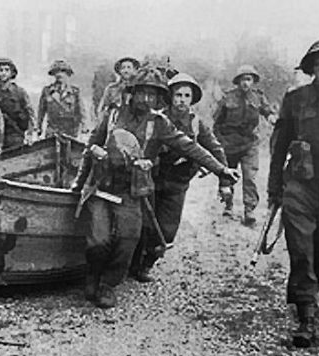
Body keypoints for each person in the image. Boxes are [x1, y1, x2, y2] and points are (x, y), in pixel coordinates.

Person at [71, 66, 239, 309]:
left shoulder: (159, 123)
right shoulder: (113, 116)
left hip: (132, 193)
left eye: (153, 95)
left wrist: (221, 170)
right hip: (102, 187)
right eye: (142, 93)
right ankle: (93, 275)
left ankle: (108, 285)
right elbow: (90, 147)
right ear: (132, 92)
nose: (146, 100)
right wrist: (79, 181)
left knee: (128, 240)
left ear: (159, 98)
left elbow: (190, 148)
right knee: (98, 241)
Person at [268, 35, 319, 347]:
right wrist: (274, 189)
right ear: (310, 69)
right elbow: (280, 146)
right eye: (318, 65)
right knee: (301, 252)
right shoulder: (295, 99)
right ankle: (306, 317)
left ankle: (314, 287)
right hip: (301, 186)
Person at [130, 72, 230, 282]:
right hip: (152, 180)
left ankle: (147, 264)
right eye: (178, 95)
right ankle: (131, 265)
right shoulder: (157, 119)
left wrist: (224, 180)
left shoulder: (196, 124)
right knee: (142, 224)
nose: (182, 100)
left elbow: (214, 149)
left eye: (186, 95)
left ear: (192, 99)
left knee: (166, 231)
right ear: (170, 97)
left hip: (177, 183)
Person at [213, 64, 274, 225]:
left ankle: (249, 211)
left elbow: (267, 111)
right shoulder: (228, 97)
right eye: (242, 79)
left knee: (250, 178)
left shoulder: (258, 97)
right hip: (229, 143)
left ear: (253, 81)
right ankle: (228, 205)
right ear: (238, 81)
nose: (245, 83)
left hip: (249, 143)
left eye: (249, 79)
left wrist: (272, 118)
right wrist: (219, 142)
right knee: (228, 176)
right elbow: (216, 121)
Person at [0, 57, 36, 149]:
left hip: (15, 134)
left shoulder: (19, 92)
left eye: (7, 70)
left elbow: (31, 114)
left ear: (12, 73)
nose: (3, 73)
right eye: (0, 70)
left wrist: (30, 133)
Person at [37, 59, 88, 139]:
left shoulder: (75, 92)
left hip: (70, 131)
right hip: (52, 131)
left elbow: (81, 112)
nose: (59, 74)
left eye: (62, 72)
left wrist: (84, 128)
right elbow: (41, 111)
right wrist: (38, 127)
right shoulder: (47, 91)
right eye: (56, 72)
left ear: (67, 74)